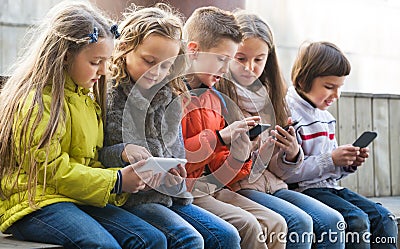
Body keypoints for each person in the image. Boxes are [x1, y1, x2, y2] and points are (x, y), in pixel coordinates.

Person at [0, 1, 169, 248]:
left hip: (76, 197)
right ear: (66, 55)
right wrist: (117, 181)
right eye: (94, 62)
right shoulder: (36, 101)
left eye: (105, 61)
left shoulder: (88, 101)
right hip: (36, 203)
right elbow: (50, 170)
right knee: (104, 246)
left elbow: (90, 163)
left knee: (151, 239)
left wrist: (128, 178)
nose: (103, 70)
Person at [99, 3, 241, 249]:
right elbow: (100, 157)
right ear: (124, 49)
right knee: (189, 239)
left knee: (226, 235)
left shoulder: (171, 95)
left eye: (166, 66)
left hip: (171, 197)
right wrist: (124, 152)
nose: (157, 72)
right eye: (149, 61)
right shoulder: (110, 95)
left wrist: (175, 172)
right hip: (131, 200)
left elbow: (177, 153)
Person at [216, 11, 346, 249]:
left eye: (259, 60)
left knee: (333, 220)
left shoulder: (273, 93)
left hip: (275, 184)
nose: (250, 67)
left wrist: (291, 153)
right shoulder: (217, 92)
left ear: (269, 58)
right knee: (298, 222)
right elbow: (216, 162)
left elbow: (280, 169)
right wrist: (248, 149)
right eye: (241, 58)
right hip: (239, 187)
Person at [270, 41, 398, 249]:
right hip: (304, 191)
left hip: (331, 189)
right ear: (303, 80)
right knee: (356, 220)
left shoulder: (326, 117)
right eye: (329, 87)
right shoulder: (288, 114)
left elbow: (332, 172)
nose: (336, 95)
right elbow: (287, 174)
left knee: (384, 218)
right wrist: (331, 159)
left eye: (340, 87)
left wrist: (346, 163)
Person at [181, 6, 287, 249]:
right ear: (193, 51)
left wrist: (240, 152)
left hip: (210, 186)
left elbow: (219, 167)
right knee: (248, 225)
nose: (225, 69)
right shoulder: (175, 96)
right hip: (186, 190)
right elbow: (175, 158)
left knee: (276, 224)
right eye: (222, 60)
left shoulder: (215, 98)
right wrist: (220, 137)